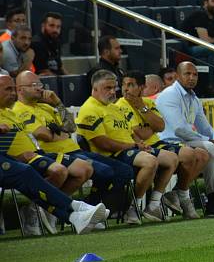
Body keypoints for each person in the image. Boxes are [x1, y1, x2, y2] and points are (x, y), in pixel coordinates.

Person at [14, 70, 134, 225]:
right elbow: (44, 135)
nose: (39, 88)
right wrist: (58, 132)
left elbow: (70, 127)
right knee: (102, 171)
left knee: (124, 171)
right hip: (54, 154)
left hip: (75, 151)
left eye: (40, 84)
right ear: (20, 89)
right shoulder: (19, 109)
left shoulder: (47, 107)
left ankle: (83, 209)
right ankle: (57, 208)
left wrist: (57, 102)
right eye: (33, 85)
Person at [76, 70, 177, 225]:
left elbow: (131, 133)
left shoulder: (114, 108)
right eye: (107, 88)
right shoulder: (89, 109)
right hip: (110, 155)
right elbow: (103, 143)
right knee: (150, 162)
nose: (113, 92)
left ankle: (153, 205)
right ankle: (133, 208)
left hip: (129, 149)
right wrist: (133, 145)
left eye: (113, 88)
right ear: (94, 88)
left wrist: (141, 145)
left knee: (171, 158)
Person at [156, 62, 214, 217]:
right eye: (187, 74)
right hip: (170, 142)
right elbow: (179, 129)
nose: (192, 78)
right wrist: (210, 141)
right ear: (177, 76)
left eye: (195, 74)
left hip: (189, 141)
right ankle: (212, 200)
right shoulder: (170, 95)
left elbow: (204, 126)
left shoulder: (193, 98)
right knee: (208, 147)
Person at [116, 72, 207, 219]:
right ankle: (158, 203)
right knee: (184, 155)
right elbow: (142, 134)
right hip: (141, 146)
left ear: (141, 87)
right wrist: (152, 125)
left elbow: (161, 126)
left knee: (202, 155)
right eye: (124, 85)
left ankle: (177, 195)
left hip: (157, 143)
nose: (126, 89)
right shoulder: (120, 105)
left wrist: (142, 108)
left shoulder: (148, 102)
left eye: (131, 85)